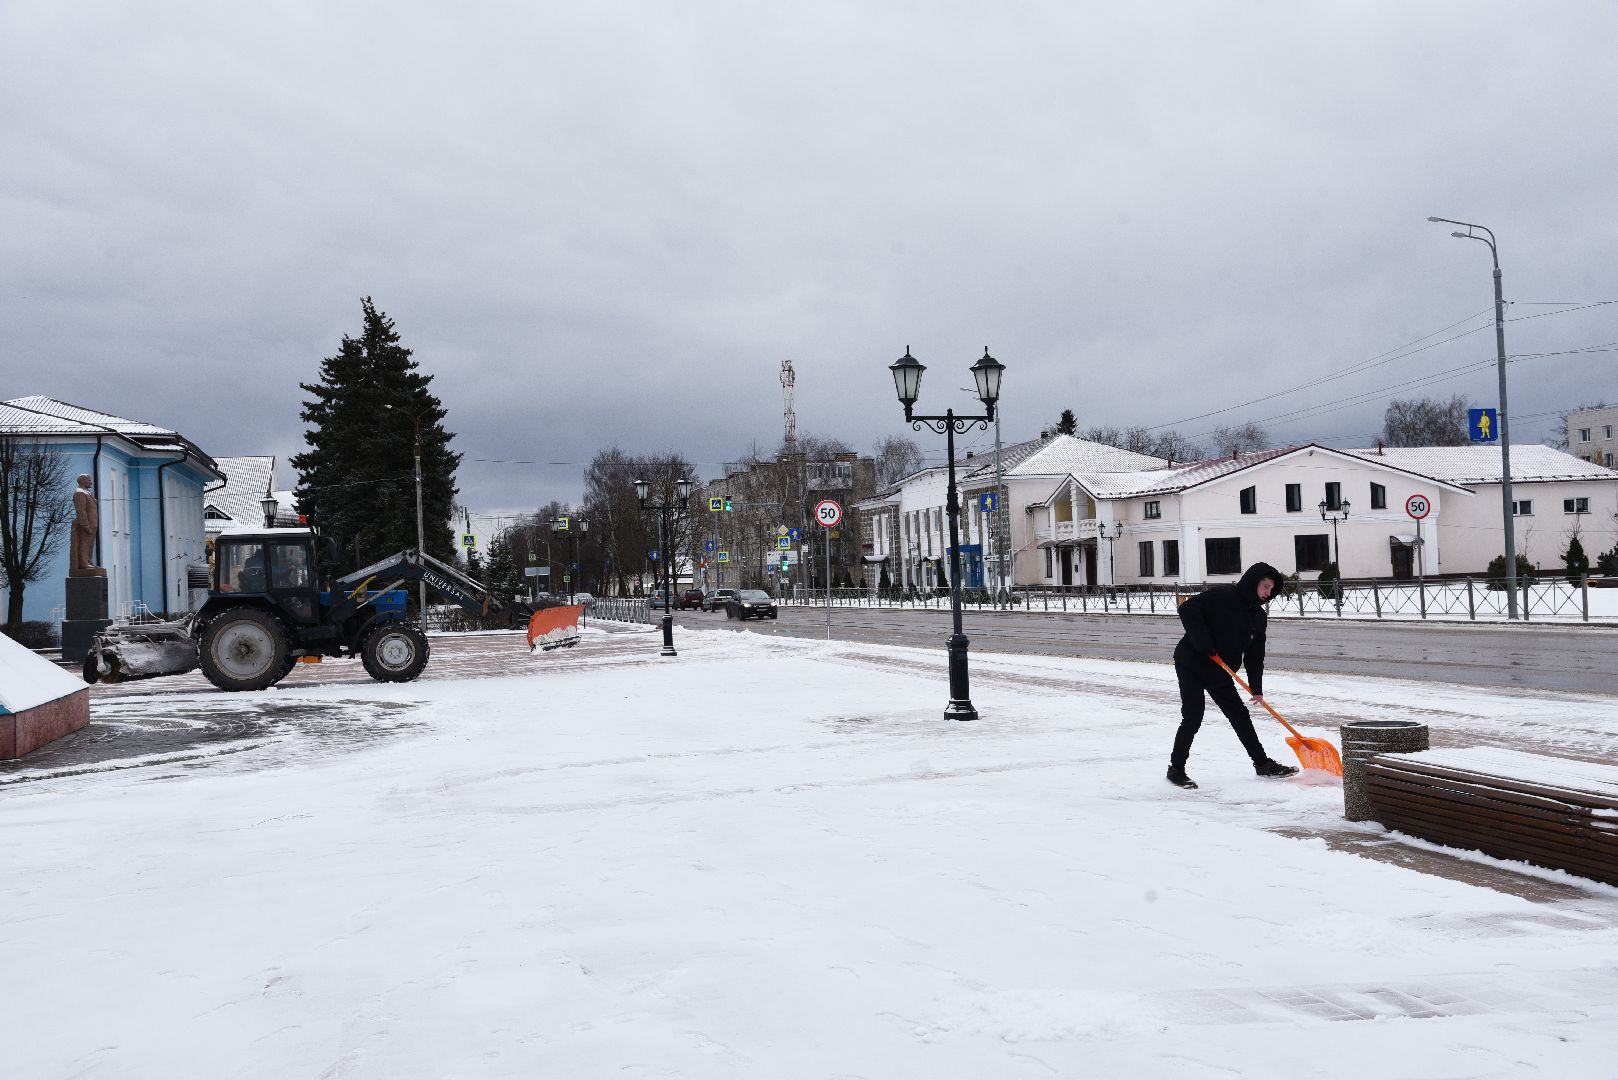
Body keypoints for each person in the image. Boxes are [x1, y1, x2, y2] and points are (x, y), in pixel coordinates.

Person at [1167, 561, 1299, 789]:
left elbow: (1255, 655)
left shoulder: (1258, 617)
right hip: (1191, 663)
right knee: (1193, 715)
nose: (1268, 593)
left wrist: (1256, 688)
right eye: (1265, 586)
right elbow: (1187, 609)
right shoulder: (1223, 596)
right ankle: (1176, 769)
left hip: (1219, 670)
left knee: (1239, 715)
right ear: (1253, 582)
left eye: (1271, 590)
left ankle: (1262, 764)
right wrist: (1204, 644)